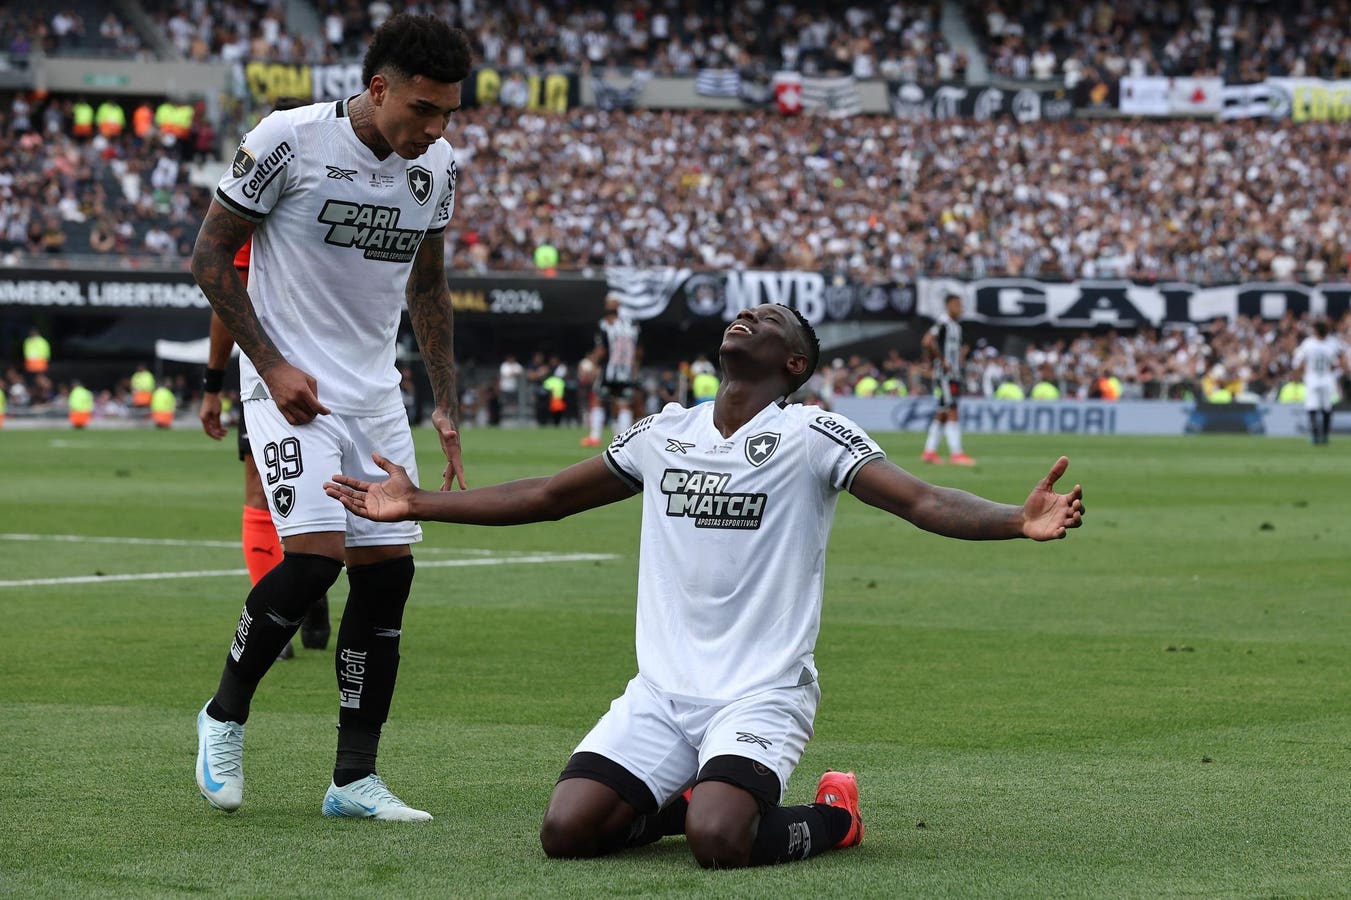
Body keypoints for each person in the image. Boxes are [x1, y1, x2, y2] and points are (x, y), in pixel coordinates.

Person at [324, 302, 1085, 867]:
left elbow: (923, 500)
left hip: (760, 690)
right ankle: (680, 791)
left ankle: (832, 817)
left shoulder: (811, 435)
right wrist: (418, 501)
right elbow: (549, 495)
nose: (750, 315)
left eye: (775, 320)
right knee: (567, 833)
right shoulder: (664, 434)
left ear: (794, 366)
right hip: (662, 690)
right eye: (747, 313)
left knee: (719, 841)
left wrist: (1013, 521)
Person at [189, 13, 473, 823]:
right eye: (423, 109)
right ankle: (224, 715)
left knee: (389, 577)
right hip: (289, 388)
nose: (435, 128)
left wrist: (444, 401)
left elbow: (427, 287)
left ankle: (353, 779)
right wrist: (269, 365)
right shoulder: (289, 138)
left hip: (375, 396)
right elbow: (210, 258)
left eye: (448, 113)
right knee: (314, 561)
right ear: (377, 89)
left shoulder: (438, 167)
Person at [199, 97, 331, 663]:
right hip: (322, 374)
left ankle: (299, 590)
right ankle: (298, 595)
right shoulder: (329, 194)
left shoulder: (261, 205)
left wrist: (211, 384)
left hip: (278, 371)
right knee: (321, 493)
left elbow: (226, 296)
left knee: (280, 497)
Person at [920, 293, 975, 465]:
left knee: (943, 413)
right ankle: (957, 454)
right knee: (952, 411)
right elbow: (927, 341)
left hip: (953, 374)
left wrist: (960, 357)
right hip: (945, 375)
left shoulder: (955, 327)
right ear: (949, 305)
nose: (961, 308)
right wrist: (941, 361)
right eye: (957, 305)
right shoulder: (943, 322)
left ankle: (929, 452)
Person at [582, 294, 642, 447]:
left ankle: (595, 437)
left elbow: (602, 349)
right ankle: (625, 438)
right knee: (623, 404)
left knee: (598, 400)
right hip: (626, 371)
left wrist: (592, 363)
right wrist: (635, 368)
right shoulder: (632, 326)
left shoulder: (606, 324)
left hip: (610, 370)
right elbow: (638, 352)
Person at [1292, 318, 1348, 445]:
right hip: (1327, 378)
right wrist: (1339, 368)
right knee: (1326, 408)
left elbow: (1299, 362)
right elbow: (1341, 358)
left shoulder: (1308, 343)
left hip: (1312, 378)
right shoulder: (1332, 343)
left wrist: (1296, 375)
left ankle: (1315, 435)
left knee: (1312, 407)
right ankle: (1325, 435)